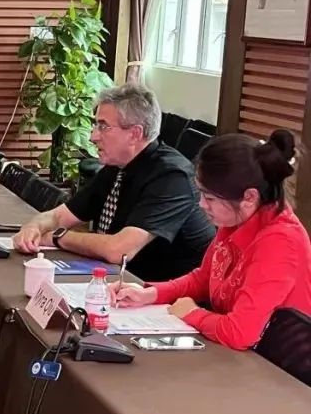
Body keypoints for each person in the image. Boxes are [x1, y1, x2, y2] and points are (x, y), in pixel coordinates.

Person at [114, 130, 311, 350]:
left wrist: (192, 313)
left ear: (249, 197)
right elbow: (204, 279)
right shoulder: (236, 218)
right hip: (234, 353)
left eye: (209, 198)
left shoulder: (281, 242)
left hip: (273, 362)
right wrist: (151, 294)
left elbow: (240, 333)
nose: (201, 204)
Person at [13, 84, 214, 282]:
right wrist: (33, 227)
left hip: (166, 293)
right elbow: (59, 216)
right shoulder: (116, 166)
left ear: (135, 133)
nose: (93, 136)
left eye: (103, 127)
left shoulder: (172, 177)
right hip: (119, 281)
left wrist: (58, 237)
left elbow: (118, 250)